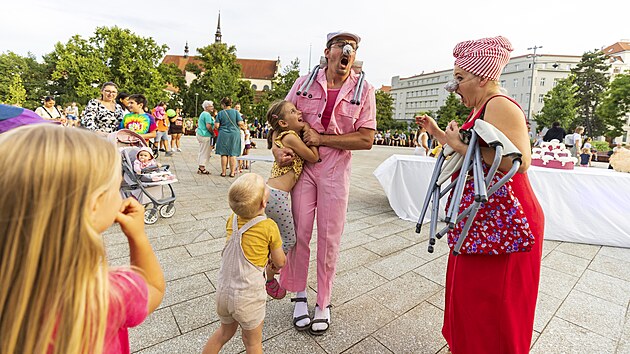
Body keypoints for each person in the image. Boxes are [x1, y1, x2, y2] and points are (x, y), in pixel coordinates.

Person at [416, 36, 544, 353]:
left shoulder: (498, 104)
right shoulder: (484, 106)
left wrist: (459, 144)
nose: (454, 86)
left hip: (506, 222)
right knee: (473, 297)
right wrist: (438, 134)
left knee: (492, 305)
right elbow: (475, 153)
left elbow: (521, 162)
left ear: (483, 76)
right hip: (488, 220)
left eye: (460, 78)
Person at [0, 125, 165, 354]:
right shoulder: (104, 295)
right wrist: (137, 236)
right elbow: (153, 288)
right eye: (116, 187)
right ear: (95, 204)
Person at [272, 30, 376, 335]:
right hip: (302, 167)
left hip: (335, 170)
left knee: (330, 238)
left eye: (352, 50)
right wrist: (278, 149)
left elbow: (367, 139)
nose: (347, 53)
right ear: (328, 51)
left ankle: (324, 301)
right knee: (300, 231)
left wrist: (323, 138)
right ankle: (300, 294)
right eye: (341, 47)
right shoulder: (303, 83)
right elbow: (279, 120)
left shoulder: (364, 89)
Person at [203, 173, 285, 354]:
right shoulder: (269, 226)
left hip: (223, 293)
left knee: (224, 333)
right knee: (252, 343)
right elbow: (280, 261)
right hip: (248, 296)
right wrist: (275, 263)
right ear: (264, 203)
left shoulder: (231, 219)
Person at [264, 100, 320, 301]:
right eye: (293, 111)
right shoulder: (290, 137)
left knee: (278, 237)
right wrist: (309, 129)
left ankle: (266, 262)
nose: (300, 111)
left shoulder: (281, 135)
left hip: (272, 194)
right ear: (283, 123)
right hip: (277, 197)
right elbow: (313, 157)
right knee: (289, 240)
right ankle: (269, 277)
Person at [215, 97, 246, 177]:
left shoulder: (220, 113)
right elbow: (240, 123)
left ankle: (224, 172)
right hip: (234, 134)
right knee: (233, 154)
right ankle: (232, 173)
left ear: (223, 104)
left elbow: (217, 126)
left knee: (224, 154)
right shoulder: (236, 112)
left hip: (223, 134)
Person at [196, 100, 215, 175]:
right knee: (205, 151)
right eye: (211, 106)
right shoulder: (207, 114)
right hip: (205, 135)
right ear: (207, 107)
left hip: (200, 133)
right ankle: (202, 167)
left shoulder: (203, 114)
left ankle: (201, 166)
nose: (212, 107)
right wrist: (212, 133)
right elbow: (208, 125)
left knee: (202, 150)